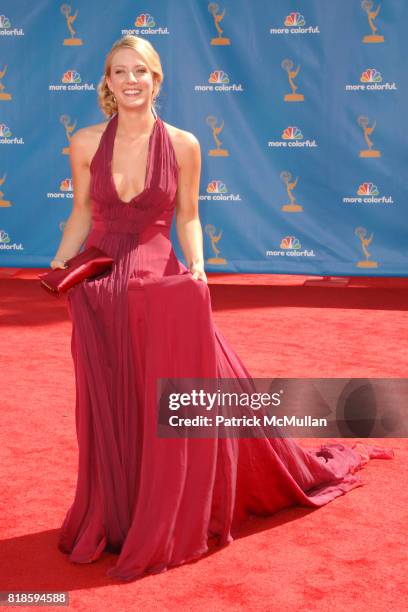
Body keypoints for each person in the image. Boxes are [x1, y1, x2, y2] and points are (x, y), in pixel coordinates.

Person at [53, 35, 394, 582]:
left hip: (160, 284)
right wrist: (60, 268)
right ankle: (118, 515)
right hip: (99, 287)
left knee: (176, 401)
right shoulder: (86, 141)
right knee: (114, 401)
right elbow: (80, 212)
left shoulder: (185, 143)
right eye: (119, 72)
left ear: (156, 78)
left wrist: (199, 266)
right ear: (108, 83)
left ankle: (167, 514)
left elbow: (187, 215)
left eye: (140, 70)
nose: (131, 80)